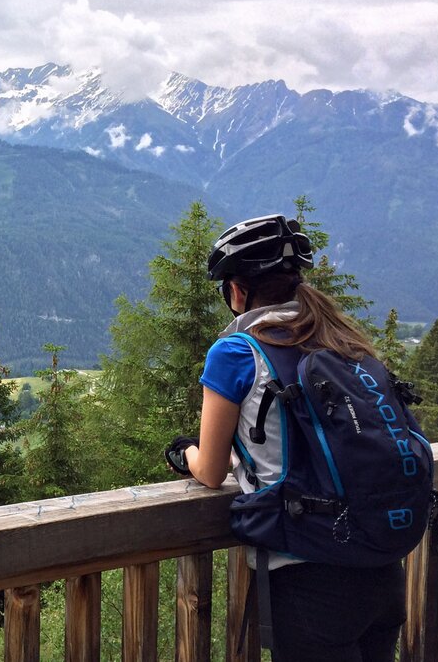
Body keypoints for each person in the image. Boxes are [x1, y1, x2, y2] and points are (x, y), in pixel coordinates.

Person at [170, 214, 405, 662]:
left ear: (236, 292)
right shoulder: (339, 336)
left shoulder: (236, 351)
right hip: (382, 568)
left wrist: (185, 453)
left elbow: (212, 469)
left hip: (308, 577)